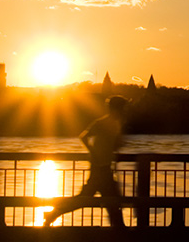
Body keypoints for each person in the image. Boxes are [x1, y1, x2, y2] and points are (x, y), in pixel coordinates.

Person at [43, 95, 129, 227]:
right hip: (99, 168)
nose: (125, 111)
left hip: (105, 167)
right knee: (95, 199)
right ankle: (54, 213)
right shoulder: (102, 123)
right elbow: (84, 136)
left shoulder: (116, 123)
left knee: (108, 199)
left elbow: (112, 142)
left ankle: (119, 229)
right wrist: (93, 153)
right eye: (123, 108)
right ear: (116, 109)